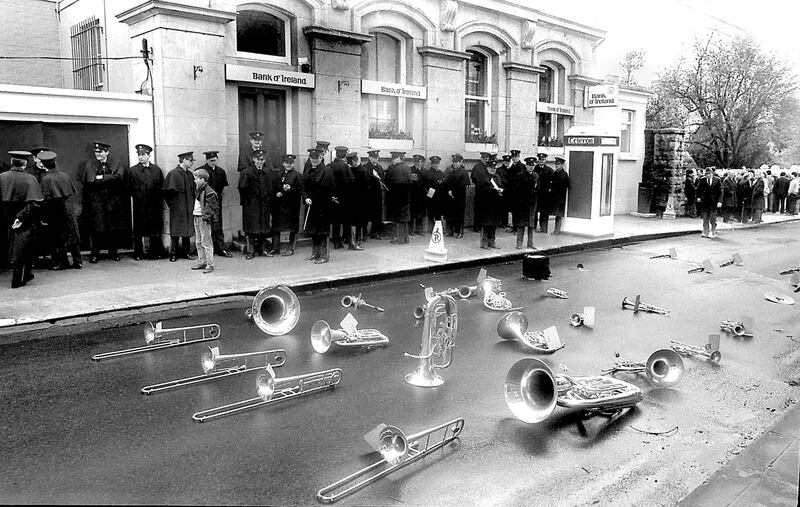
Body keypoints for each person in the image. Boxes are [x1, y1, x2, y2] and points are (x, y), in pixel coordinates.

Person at [1, 151, 43, 288]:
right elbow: (35, 203)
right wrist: (20, 217)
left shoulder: (2, 177)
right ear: (25, 164)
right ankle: (18, 279)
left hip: (5, 216)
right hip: (24, 217)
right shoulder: (30, 179)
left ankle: (26, 275)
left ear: (12, 162)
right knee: (23, 249)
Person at [80, 141, 126, 263]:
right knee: (97, 230)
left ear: (107, 152)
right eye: (96, 152)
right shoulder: (90, 164)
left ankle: (113, 252)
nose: (97, 154)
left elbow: (119, 177)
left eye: (100, 152)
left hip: (112, 202)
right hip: (97, 203)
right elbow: (90, 181)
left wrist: (101, 178)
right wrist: (109, 177)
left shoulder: (116, 163)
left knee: (113, 229)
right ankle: (95, 254)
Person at [39, 151, 82, 270]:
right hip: (68, 208)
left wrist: (44, 217)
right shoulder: (65, 175)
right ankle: (78, 261)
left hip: (54, 211)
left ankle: (63, 263)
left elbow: (45, 199)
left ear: (43, 164)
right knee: (72, 235)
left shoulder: (46, 179)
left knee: (57, 237)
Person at [126, 144, 164, 260]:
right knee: (139, 229)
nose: (140, 157)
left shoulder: (156, 170)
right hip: (140, 205)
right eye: (139, 155)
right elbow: (129, 188)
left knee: (154, 228)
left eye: (143, 155)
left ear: (149, 155)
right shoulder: (133, 170)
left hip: (154, 205)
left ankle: (155, 252)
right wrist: (138, 197)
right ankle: (138, 252)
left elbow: (161, 186)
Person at [301, 148, 336, 264]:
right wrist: (306, 198)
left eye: (317, 158)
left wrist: (315, 198)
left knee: (323, 231)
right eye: (312, 158)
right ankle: (315, 253)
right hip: (311, 206)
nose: (314, 161)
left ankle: (324, 256)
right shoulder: (308, 171)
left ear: (321, 158)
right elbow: (303, 187)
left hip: (322, 207)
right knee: (314, 232)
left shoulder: (327, 171)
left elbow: (328, 189)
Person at [163, 151, 197, 262]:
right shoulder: (173, 173)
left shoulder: (190, 174)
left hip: (188, 207)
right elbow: (167, 192)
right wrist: (173, 205)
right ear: (183, 160)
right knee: (176, 232)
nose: (191, 163)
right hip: (177, 208)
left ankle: (187, 252)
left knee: (187, 231)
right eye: (190, 160)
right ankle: (173, 253)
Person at [197, 151, 232, 258]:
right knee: (205, 227)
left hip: (216, 203)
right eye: (211, 161)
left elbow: (223, 189)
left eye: (215, 160)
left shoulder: (221, 171)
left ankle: (221, 249)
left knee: (218, 225)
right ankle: (206, 251)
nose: (213, 162)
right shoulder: (201, 171)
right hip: (204, 203)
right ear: (206, 160)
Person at [238, 149, 272, 259]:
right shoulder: (247, 172)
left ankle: (262, 249)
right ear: (253, 159)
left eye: (262, 160)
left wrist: (267, 199)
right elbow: (242, 188)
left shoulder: (267, 171)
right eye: (258, 159)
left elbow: (269, 188)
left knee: (263, 228)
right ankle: (250, 251)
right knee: (251, 229)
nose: (260, 162)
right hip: (251, 205)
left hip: (264, 205)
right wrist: (247, 202)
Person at [269, 154, 303, 256]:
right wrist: (277, 193)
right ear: (283, 163)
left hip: (291, 206)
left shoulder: (297, 175)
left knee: (292, 227)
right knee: (276, 227)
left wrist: (290, 189)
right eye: (286, 163)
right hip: (279, 206)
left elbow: (301, 190)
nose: (288, 165)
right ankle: (275, 248)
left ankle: (290, 248)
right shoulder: (278, 174)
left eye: (290, 163)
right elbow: (274, 187)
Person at [190, 168, 218, 273]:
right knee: (198, 241)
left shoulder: (209, 192)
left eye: (196, 178)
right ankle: (202, 261)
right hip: (196, 216)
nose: (195, 180)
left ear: (203, 179)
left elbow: (211, 207)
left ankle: (210, 264)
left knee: (206, 242)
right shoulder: (199, 189)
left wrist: (205, 217)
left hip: (203, 218)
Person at [328, 146, 353, 249]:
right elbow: (350, 182)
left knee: (335, 221)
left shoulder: (329, 166)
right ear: (345, 155)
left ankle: (335, 240)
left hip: (332, 197)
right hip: (344, 197)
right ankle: (346, 238)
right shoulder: (346, 167)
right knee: (346, 219)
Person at [476, 159, 505, 249]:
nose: (493, 169)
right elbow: (482, 190)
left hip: (495, 205)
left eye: (494, 167)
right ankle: (484, 243)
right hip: (486, 205)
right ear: (487, 168)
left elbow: (502, 185)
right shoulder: (484, 178)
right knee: (486, 225)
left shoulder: (497, 177)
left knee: (493, 225)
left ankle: (492, 242)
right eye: (491, 167)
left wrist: (502, 190)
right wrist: (493, 190)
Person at [385, 151, 412, 244]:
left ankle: (399, 239)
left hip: (396, 197)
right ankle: (405, 238)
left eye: (393, 159)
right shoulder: (408, 168)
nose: (392, 161)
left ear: (397, 158)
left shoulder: (393, 169)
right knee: (404, 219)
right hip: (406, 197)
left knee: (398, 219)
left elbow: (388, 183)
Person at [513, 156, 539, 249]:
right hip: (522, 203)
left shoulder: (536, 176)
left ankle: (530, 243)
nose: (531, 167)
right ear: (526, 166)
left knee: (531, 225)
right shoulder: (520, 175)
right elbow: (516, 189)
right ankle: (519, 243)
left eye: (533, 165)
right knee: (521, 224)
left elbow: (538, 189)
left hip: (532, 203)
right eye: (529, 165)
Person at [444, 153, 469, 239]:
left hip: (459, 198)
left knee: (459, 216)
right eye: (454, 162)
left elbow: (462, 186)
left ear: (461, 162)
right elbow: (447, 183)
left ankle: (459, 232)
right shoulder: (452, 172)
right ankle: (450, 231)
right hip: (451, 198)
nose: (455, 164)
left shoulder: (464, 172)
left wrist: (453, 192)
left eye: (457, 162)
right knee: (451, 215)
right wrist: (449, 191)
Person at [346, 151, 367, 250]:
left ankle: (356, 242)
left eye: (351, 162)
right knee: (353, 222)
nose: (350, 165)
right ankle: (353, 242)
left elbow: (362, 187)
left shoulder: (362, 170)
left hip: (359, 200)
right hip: (352, 200)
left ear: (356, 160)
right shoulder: (352, 169)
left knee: (358, 223)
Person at [362, 149, 386, 239]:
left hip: (377, 194)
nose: (376, 159)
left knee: (377, 214)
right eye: (374, 157)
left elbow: (382, 179)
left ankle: (375, 233)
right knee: (366, 214)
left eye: (377, 157)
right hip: (368, 194)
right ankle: (364, 233)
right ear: (369, 158)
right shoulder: (365, 167)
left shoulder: (379, 167)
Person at [695, 167, 723, 238]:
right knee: (705, 218)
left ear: (712, 173)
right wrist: (698, 197)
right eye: (706, 174)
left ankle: (713, 231)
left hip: (714, 203)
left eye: (709, 174)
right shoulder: (702, 180)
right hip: (705, 202)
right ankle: (705, 231)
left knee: (712, 218)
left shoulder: (717, 180)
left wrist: (720, 201)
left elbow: (721, 191)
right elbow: (698, 189)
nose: (707, 175)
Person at [470, 152, 490, 232]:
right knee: (478, 209)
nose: (486, 160)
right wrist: (480, 184)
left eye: (487, 159)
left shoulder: (489, 166)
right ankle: (477, 227)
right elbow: (473, 177)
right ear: (481, 158)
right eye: (484, 158)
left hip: (487, 191)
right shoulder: (477, 167)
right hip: (480, 191)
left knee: (486, 209)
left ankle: (484, 226)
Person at [425, 155, 447, 229]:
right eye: (434, 163)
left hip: (440, 197)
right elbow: (426, 186)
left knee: (439, 214)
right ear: (431, 164)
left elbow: (444, 184)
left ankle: (439, 228)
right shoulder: (428, 173)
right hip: (431, 197)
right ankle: (433, 228)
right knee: (431, 213)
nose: (435, 165)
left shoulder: (441, 173)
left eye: (437, 163)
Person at [550, 156, 570, 234]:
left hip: (560, 197)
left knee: (558, 214)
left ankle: (557, 229)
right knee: (556, 213)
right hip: (555, 196)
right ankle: (556, 229)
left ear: (562, 165)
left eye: (558, 164)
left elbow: (565, 186)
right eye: (556, 164)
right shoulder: (555, 173)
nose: (556, 165)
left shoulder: (564, 175)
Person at [534, 153, 553, 232]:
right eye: (540, 159)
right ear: (538, 160)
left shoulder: (549, 170)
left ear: (545, 160)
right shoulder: (535, 169)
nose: (541, 161)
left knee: (544, 212)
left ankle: (543, 227)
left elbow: (552, 182)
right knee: (534, 210)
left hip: (545, 194)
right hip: (536, 193)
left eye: (543, 159)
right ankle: (533, 226)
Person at [409, 154, 428, 235]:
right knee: (411, 213)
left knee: (420, 214)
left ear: (422, 163)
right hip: (412, 195)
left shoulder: (425, 171)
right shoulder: (410, 170)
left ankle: (419, 230)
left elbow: (427, 184)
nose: (418, 164)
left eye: (420, 162)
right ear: (414, 162)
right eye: (417, 162)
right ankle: (411, 230)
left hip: (421, 196)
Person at [507, 149, 524, 231]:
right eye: (512, 157)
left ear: (518, 157)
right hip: (512, 192)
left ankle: (518, 228)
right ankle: (514, 227)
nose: (513, 158)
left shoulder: (522, 167)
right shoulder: (512, 167)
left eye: (515, 157)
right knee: (514, 211)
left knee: (519, 211)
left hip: (519, 193)